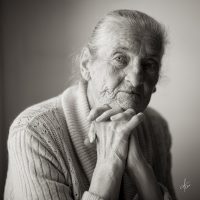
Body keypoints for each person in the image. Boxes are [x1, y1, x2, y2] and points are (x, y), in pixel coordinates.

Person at [4, 10, 177, 200]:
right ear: (86, 65)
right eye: (120, 58)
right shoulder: (33, 132)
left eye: (149, 64)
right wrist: (110, 164)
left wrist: (139, 166)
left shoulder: (156, 127)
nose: (136, 79)